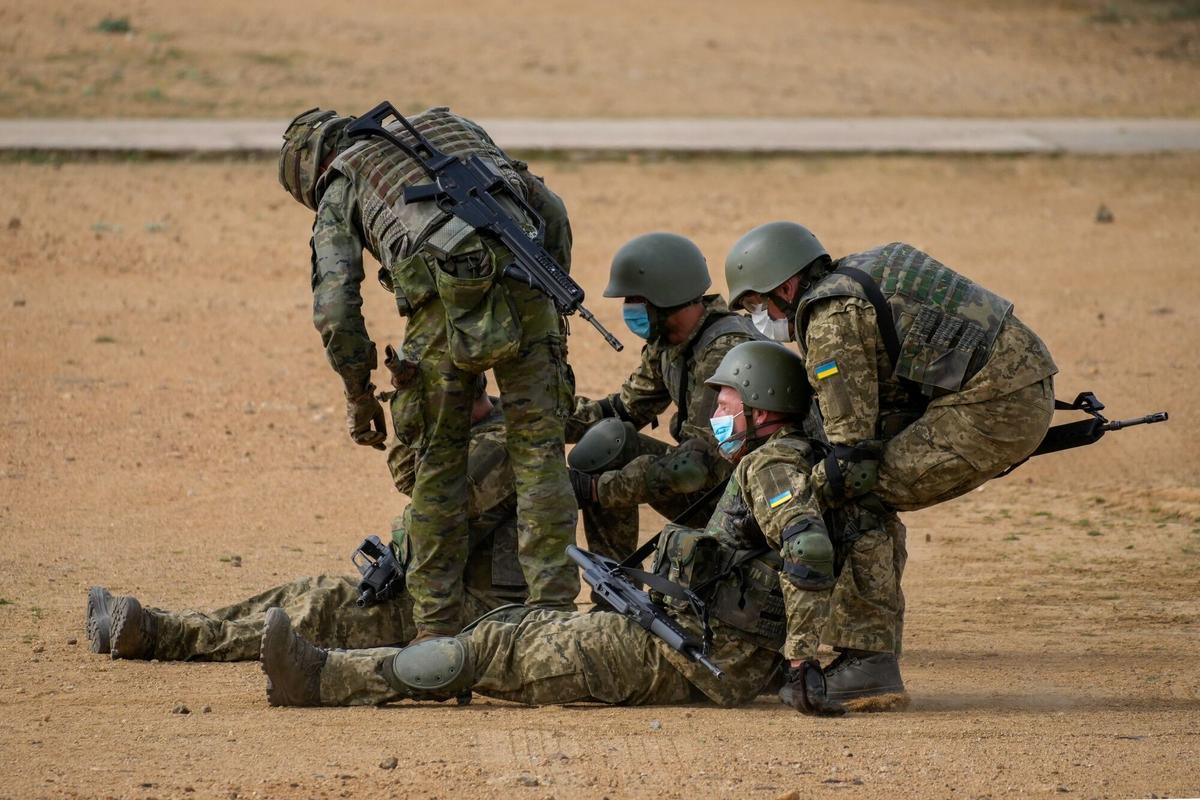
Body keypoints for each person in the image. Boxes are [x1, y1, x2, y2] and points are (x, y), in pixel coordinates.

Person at [259, 342, 905, 714]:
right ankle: (339, 670)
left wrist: (798, 661)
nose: (717, 413)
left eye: (728, 403)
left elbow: (809, 548)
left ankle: (323, 679)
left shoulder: (772, 468)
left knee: (493, 650)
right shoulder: (788, 458)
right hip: (691, 642)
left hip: (689, 657)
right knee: (511, 629)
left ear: (763, 410)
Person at [277, 106, 579, 640]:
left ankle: (435, 636)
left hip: (440, 311)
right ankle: (554, 624)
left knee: (437, 474)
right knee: (541, 459)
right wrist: (549, 288)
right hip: (527, 283)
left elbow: (335, 306)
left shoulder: (343, 180)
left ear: (310, 170)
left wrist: (359, 394)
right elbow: (548, 208)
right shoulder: (451, 127)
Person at [86, 381, 527, 661]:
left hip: (469, 610)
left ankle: (156, 635)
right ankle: (153, 622)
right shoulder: (474, 434)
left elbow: (421, 491)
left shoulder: (498, 446)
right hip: (432, 589)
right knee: (303, 590)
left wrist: (408, 429)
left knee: (316, 611)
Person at [724, 222, 1057, 513]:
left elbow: (851, 455)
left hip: (999, 404)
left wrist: (788, 507)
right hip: (1023, 375)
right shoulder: (862, 271)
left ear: (785, 289)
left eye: (756, 303)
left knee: (861, 489)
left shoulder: (831, 320)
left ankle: (855, 587)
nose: (757, 316)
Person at [564, 232, 762, 562]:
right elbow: (623, 410)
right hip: (709, 482)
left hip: (743, 500)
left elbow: (697, 469)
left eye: (634, 300)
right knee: (609, 442)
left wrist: (598, 489)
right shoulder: (670, 342)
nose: (627, 310)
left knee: (606, 471)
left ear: (665, 297)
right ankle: (615, 584)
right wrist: (538, 418)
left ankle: (619, 582)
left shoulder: (723, 352)